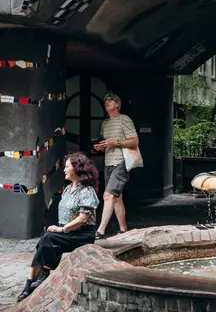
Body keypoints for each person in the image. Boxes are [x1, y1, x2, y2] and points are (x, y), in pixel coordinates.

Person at [17, 152, 99, 302]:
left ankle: (43, 273)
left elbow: (83, 219)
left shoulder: (87, 191)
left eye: (67, 166)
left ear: (77, 168)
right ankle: (29, 283)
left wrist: (62, 229)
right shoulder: (67, 189)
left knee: (48, 238)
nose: (64, 170)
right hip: (67, 232)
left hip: (81, 235)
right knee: (43, 243)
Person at [93, 92, 139, 240]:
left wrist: (116, 143)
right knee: (116, 198)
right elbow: (106, 142)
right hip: (108, 162)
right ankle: (123, 229)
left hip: (121, 162)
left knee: (108, 195)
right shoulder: (105, 123)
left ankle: (100, 230)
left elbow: (134, 141)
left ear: (117, 104)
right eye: (105, 101)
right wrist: (100, 147)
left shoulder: (124, 120)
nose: (106, 103)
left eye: (110, 100)